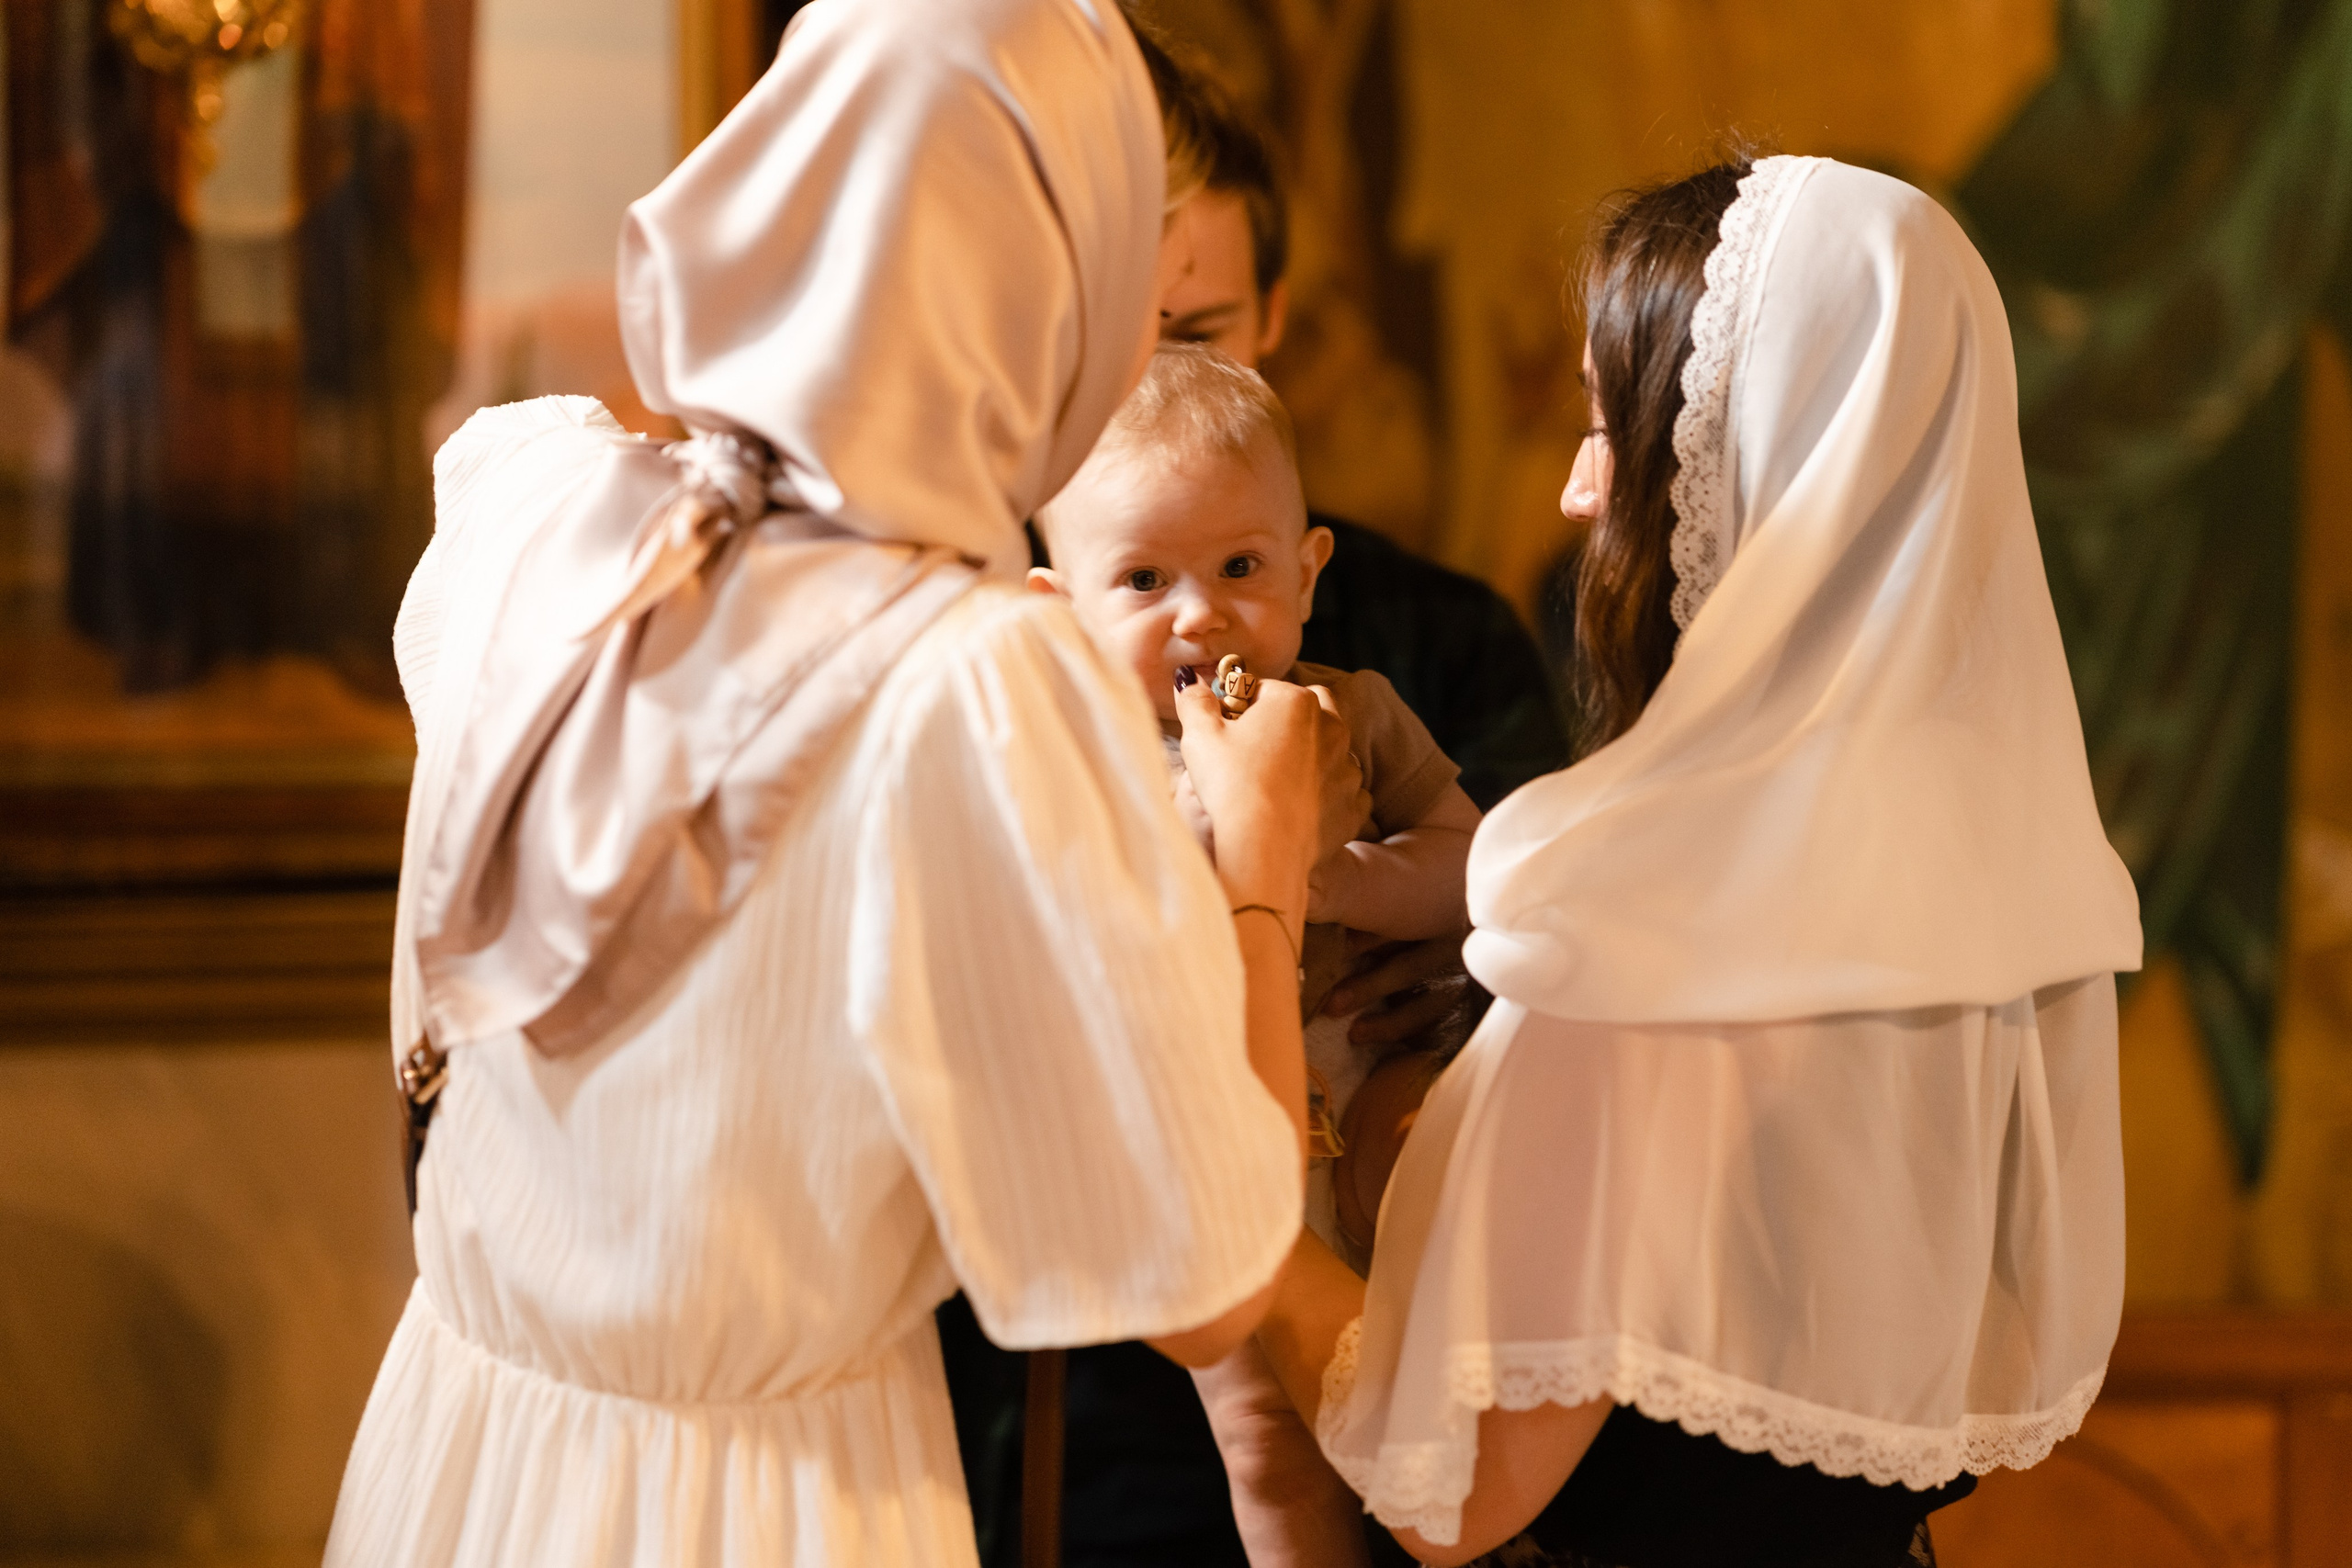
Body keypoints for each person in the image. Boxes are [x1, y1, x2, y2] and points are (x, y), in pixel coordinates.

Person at [322, 3, 1361, 1563]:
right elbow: (1203, 1279)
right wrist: (1264, 864)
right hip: (765, 1499)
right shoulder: (978, 682)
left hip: (464, 1446)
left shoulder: (538, 496)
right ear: (1053, 291)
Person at [1250, 154, 2144, 1567]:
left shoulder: (1672, 927)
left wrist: (1235, 1238)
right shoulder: (1996, 896)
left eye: (1611, 433)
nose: (1570, 491)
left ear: (1746, 472)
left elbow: (1456, 1489)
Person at [1032, 340, 1479, 1267]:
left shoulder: (1349, 711)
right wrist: (1228, 842)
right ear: (1059, 617)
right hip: (1184, 1134)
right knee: (1259, 1392)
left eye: (1240, 567)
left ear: (1307, 574)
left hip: (1367, 1091)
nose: (1200, 614)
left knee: (1450, 1210)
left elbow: (1470, 868)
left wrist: (1343, 885)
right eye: (1146, 580)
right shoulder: (1071, 759)